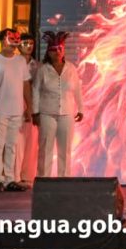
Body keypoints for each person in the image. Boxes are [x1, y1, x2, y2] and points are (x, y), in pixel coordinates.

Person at [0, 28, 32, 191]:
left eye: (15, 41)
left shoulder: (20, 61)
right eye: (10, 40)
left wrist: (28, 106)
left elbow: (25, 84)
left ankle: (10, 178)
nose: (13, 45)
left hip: (17, 110)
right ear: (2, 41)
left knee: (12, 145)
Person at [32, 31, 83, 177]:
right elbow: (35, 91)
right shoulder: (43, 70)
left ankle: (64, 179)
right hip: (46, 113)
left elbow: (77, 90)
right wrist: (35, 113)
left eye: (60, 49)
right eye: (53, 50)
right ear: (48, 52)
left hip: (67, 113)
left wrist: (81, 109)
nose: (57, 52)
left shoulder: (71, 68)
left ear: (63, 50)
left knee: (65, 150)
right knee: (45, 148)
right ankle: (43, 179)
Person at [16, 32, 39, 185]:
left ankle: (28, 176)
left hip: (33, 105)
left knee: (31, 141)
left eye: (31, 43)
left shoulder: (38, 65)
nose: (28, 46)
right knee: (16, 142)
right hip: (16, 103)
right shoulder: (14, 63)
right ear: (19, 45)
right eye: (25, 43)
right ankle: (15, 176)